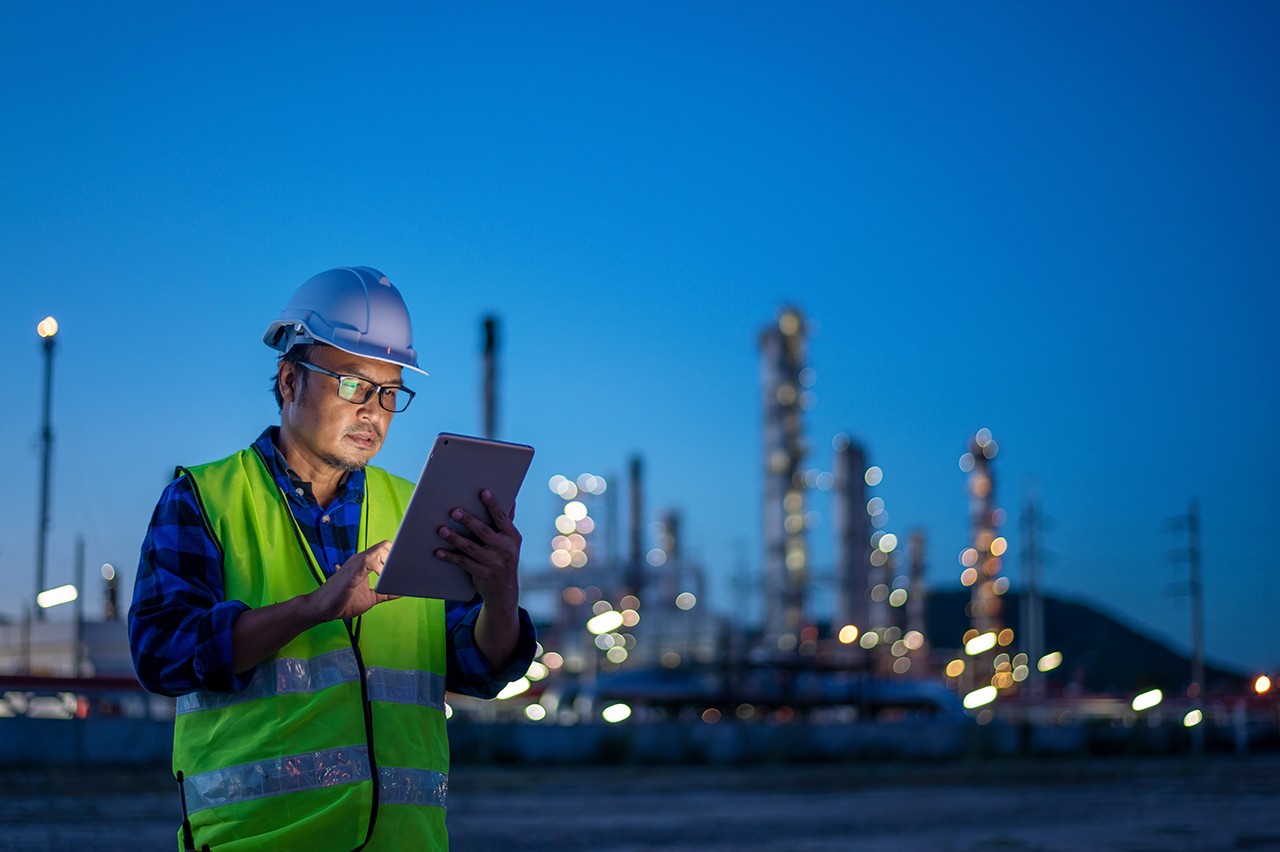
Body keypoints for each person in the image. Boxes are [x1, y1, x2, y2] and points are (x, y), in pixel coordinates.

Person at [129, 266, 536, 851]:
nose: (374, 411)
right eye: (353, 384)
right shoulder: (205, 499)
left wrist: (501, 597)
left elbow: (478, 665)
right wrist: (313, 608)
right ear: (290, 379)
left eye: (391, 392)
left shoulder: (410, 511)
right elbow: (161, 653)